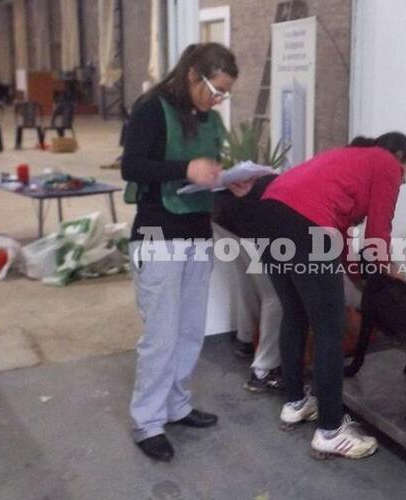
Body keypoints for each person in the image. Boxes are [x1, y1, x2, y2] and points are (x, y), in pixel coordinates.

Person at [121, 42, 250, 462]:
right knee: (160, 334)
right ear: (194, 74)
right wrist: (184, 169)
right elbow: (132, 167)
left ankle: (177, 406)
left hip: (196, 230)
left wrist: (228, 180)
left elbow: (211, 169)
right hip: (159, 229)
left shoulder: (208, 119)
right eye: (216, 89)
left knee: (190, 328)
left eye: (225, 93)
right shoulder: (151, 109)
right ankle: (147, 423)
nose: (218, 99)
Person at [255, 132, 406, 459]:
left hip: (268, 216)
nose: (400, 183)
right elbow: (378, 234)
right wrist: (393, 275)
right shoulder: (383, 161)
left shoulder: (346, 163)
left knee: (295, 314)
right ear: (396, 156)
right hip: (306, 227)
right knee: (331, 326)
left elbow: (342, 237)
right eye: (405, 174)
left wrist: (358, 278)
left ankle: (295, 404)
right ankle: (330, 432)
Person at [213, 174, 284, 392]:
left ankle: (245, 340)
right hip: (248, 221)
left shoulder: (315, 172)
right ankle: (262, 371)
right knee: (277, 297)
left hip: (222, 216)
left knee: (247, 281)